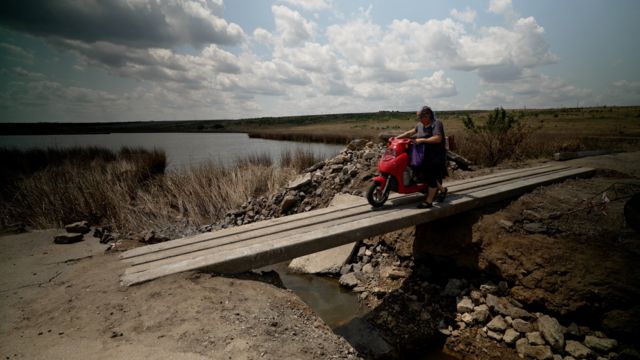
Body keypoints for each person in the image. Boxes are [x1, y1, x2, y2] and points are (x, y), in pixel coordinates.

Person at [395, 105, 448, 208]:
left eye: (420, 117)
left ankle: (428, 202)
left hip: (435, 155)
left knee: (431, 176)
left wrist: (422, 140)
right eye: (418, 118)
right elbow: (410, 132)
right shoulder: (420, 124)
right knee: (422, 173)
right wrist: (396, 138)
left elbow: (438, 138)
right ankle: (442, 190)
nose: (419, 120)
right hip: (423, 154)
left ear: (427, 116)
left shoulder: (436, 123)